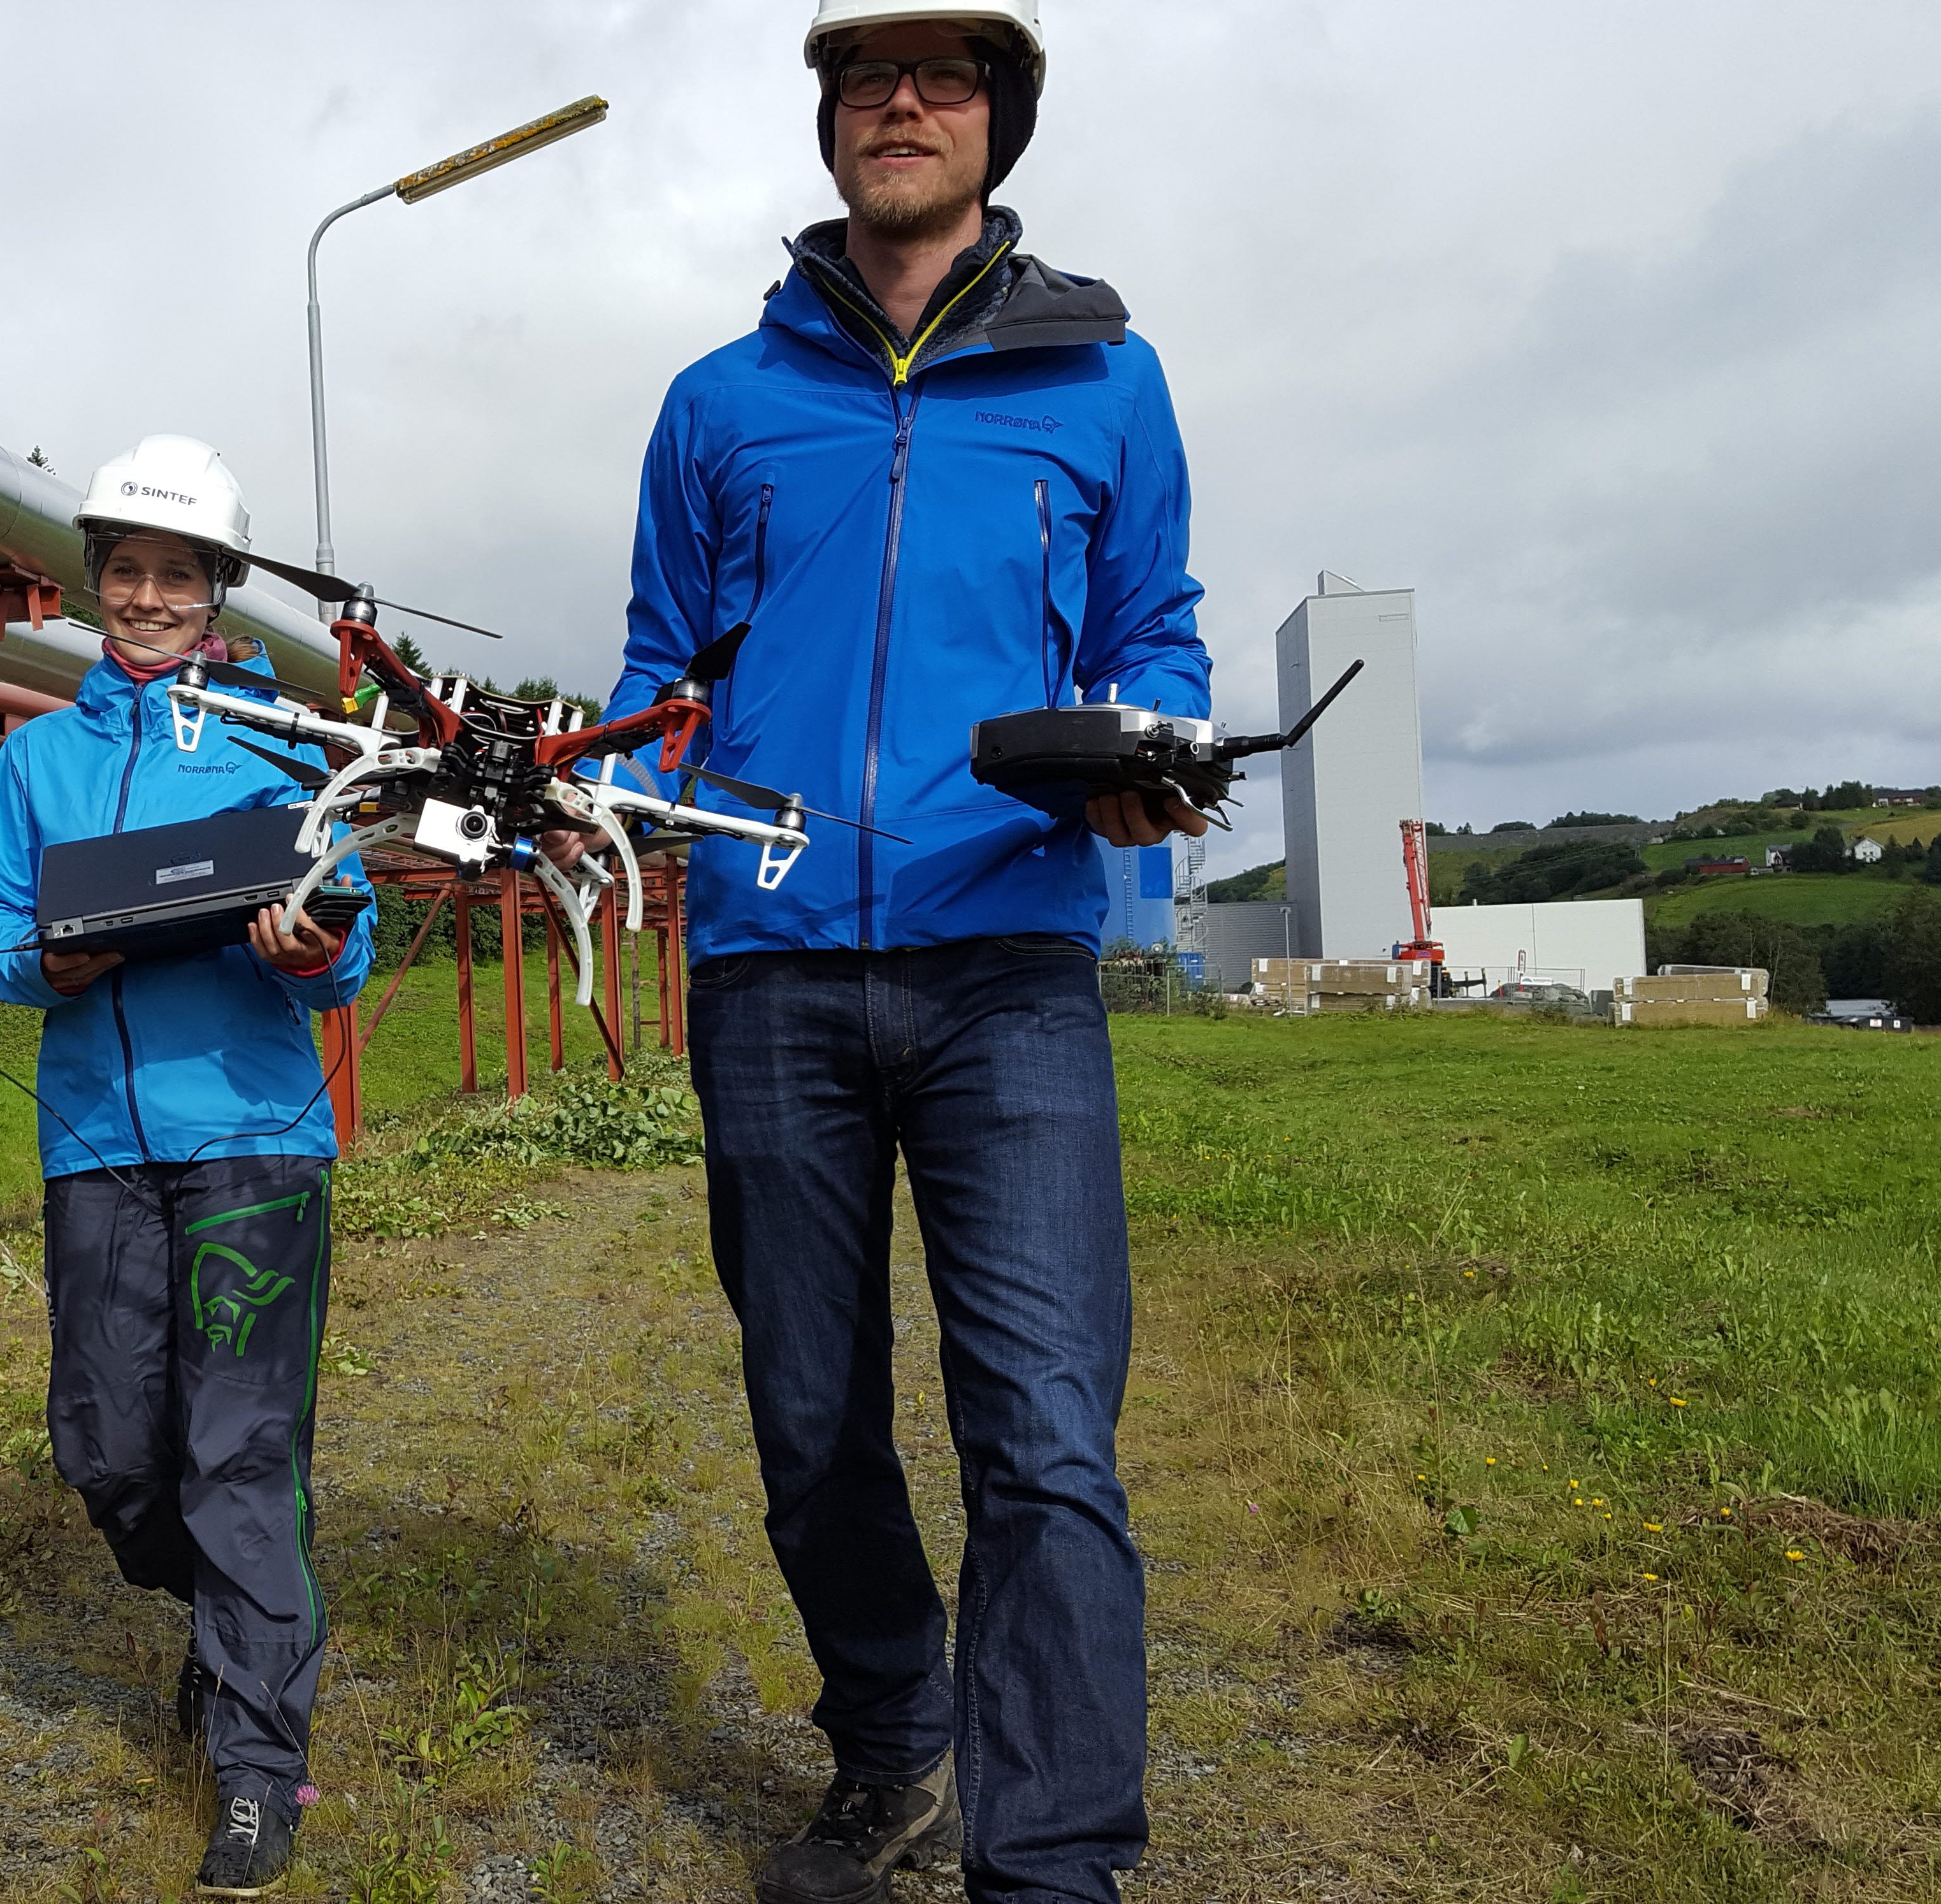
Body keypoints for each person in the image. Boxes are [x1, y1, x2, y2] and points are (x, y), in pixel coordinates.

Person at [586, 6, 1209, 1899]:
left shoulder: (1106, 377)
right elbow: (654, 670)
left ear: (1001, 123)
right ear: (832, 126)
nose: (904, 109)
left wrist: (1146, 767)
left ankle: (1057, 1865)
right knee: (805, 1415)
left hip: (1007, 967)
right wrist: (596, 785)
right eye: (870, 83)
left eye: (944, 82)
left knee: (1042, 1434)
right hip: (768, 968)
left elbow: (1157, 635)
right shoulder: (719, 399)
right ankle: (894, 1736)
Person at [0, 435, 374, 1898]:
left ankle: (259, 1764)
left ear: (219, 594)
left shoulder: (286, 747)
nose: (145, 596)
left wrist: (312, 945)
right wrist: (54, 956)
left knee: (239, 1458)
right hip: (95, 1151)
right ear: (95, 588)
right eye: (123, 571)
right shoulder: (42, 757)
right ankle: (232, 1625)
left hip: (254, 1143)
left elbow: (348, 935)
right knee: (110, 1451)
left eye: (175, 574)